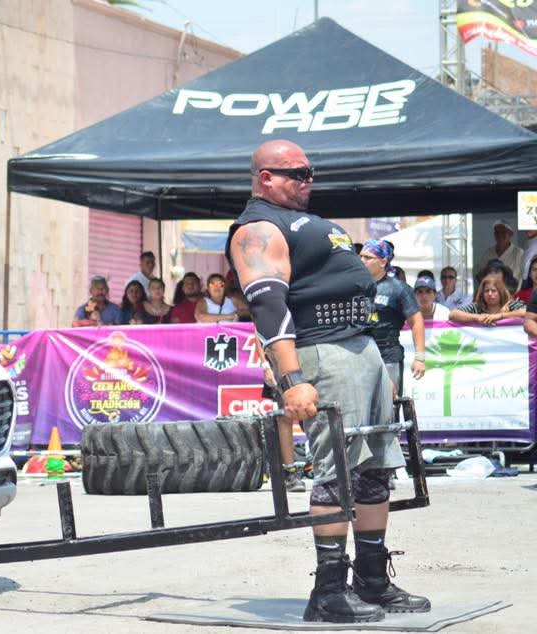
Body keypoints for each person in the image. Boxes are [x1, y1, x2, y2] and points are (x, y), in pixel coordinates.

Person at [228, 139, 428, 624]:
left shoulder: (304, 222)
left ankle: (373, 581)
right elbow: (268, 306)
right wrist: (291, 379)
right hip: (322, 351)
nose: (307, 180)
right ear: (265, 178)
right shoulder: (257, 228)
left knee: (375, 468)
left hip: (362, 347)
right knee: (339, 470)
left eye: (310, 172)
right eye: (295, 173)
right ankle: (330, 592)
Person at [359, 239, 426, 396]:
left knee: (389, 403)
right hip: (360, 353)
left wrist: (420, 358)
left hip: (388, 354)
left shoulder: (399, 288)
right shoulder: (355, 286)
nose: (362, 261)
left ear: (383, 262)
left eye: (367, 258)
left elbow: (416, 321)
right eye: (360, 256)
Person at [256, 339, 305, 492]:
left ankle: (325, 465)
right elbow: (258, 330)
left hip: (306, 350)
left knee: (313, 411)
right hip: (280, 358)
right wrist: (265, 366)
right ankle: (290, 471)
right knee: (284, 415)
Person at [449, 273, 526, 325]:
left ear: (500, 292)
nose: (489, 294)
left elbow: (527, 312)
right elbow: (453, 314)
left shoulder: (510, 305)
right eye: (486, 291)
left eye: (493, 291)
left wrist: (500, 316)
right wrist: (477, 318)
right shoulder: (477, 308)